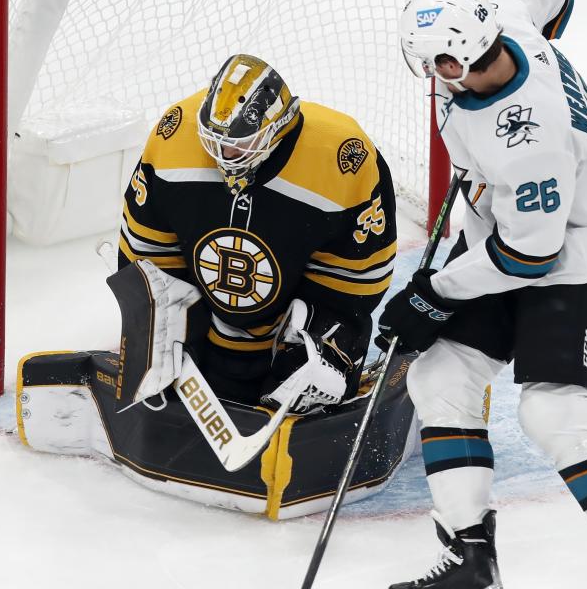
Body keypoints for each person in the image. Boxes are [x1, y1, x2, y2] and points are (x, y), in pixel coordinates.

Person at [378, 0, 587, 588]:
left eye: (436, 66)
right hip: (508, 232)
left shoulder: (529, 142)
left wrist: (432, 294)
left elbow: (527, 259)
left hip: (571, 259)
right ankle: (471, 561)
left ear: (454, 60)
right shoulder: (501, 14)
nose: (433, 79)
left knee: (554, 414)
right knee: (441, 378)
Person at [119, 53, 397, 414]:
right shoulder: (174, 134)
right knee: (154, 334)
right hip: (204, 318)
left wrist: (323, 340)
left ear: (278, 126)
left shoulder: (343, 157)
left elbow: (357, 278)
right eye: (213, 140)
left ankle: (307, 375)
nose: (224, 153)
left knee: (311, 379)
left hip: (290, 319)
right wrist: (162, 328)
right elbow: (144, 249)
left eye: (240, 143)